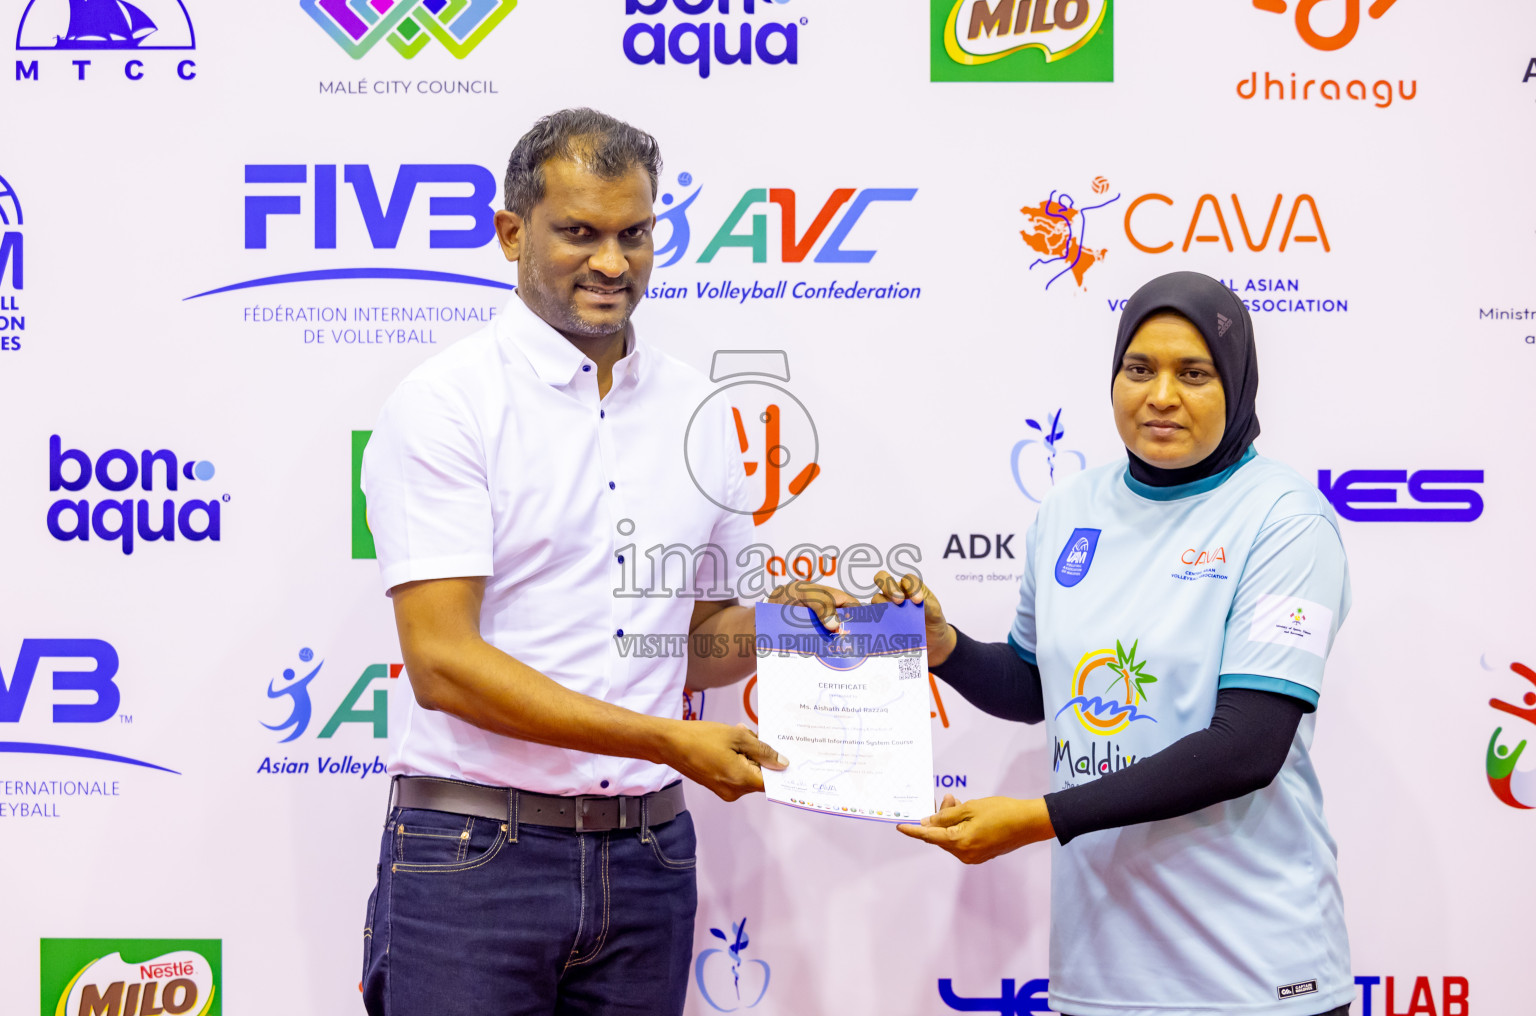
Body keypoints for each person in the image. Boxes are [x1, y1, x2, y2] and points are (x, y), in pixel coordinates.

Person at [357, 107, 845, 1016]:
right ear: (512, 234)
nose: (612, 263)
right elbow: (441, 665)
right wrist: (666, 738)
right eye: (579, 233)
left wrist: (799, 625)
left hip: (649, 861)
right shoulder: (446, 405)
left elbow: (691, 644)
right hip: (473, 856)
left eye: (634, 233)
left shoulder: (703, 411)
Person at [882, 271, 1354, 1016]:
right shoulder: (1070, 508)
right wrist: (946, 648)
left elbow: (1248, 747)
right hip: (1101, 976)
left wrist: (1040, 818)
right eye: (1140, 369)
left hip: (1255, 977)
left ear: (1236, 384)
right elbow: (1038, 687)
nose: (1160, 395)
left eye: (1193, 373)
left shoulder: (1285, 521)